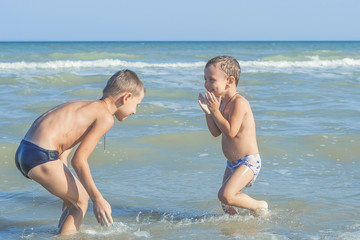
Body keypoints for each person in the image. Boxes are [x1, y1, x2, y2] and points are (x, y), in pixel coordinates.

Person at [15, 69, 145, 234]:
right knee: (82, 202)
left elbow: (63, 149)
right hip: (42, 155)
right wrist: (98, 199)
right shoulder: (105, 117)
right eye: (137, 104)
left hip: (25, 151)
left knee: (74, 203)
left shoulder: (84, 106)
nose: (135, 111)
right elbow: (79, 161)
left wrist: (68, 188)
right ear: (126, 98)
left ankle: (60, 234)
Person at [198, 56, 268, 216]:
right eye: (205, 79)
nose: (206, 84)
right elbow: (216, 132)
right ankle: (235, 230)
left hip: (248, 161)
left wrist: (215, 111)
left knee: (226, 195)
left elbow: (230, 132)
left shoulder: (239, 103)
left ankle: (259, 205)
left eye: (211, 79)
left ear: (229, 81)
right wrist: (209, 112)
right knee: (226, 204)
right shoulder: (221, 102)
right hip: (232, 163)